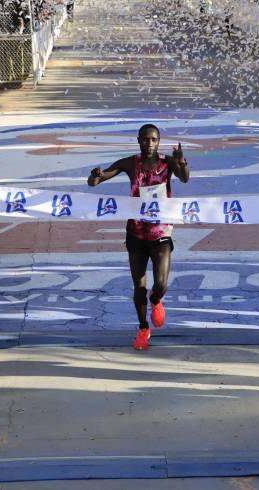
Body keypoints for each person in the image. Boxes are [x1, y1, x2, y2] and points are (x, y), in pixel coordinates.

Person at [86, 124, 189, 350]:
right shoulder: (130, 163)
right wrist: (95, 176)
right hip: (136, 232)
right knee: (139, 286)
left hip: (161, 231)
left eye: (153, 140)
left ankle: (156, 300)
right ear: (138, 140)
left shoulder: (167, 162)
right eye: (145, 139)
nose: (149, 144)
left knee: (161, 284)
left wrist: (181, 161)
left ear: (159, 142)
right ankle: (143, 328)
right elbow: (96, 181)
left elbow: (184, 178)